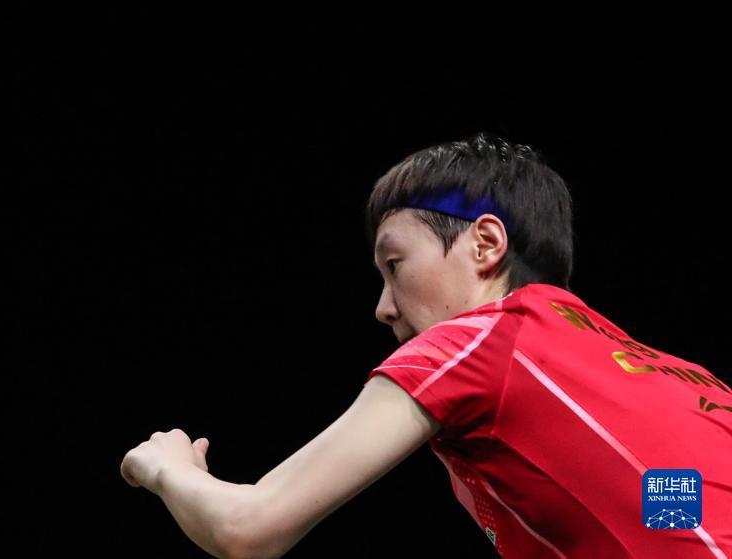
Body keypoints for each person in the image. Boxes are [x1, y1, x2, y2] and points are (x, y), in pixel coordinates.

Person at [120, 133, 732, 558]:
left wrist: (169, 469)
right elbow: (669, 511)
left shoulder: (477, 342)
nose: (383, 307)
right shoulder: (683, 376)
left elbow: (247, 528)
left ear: (485, 245)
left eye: (395, 264)